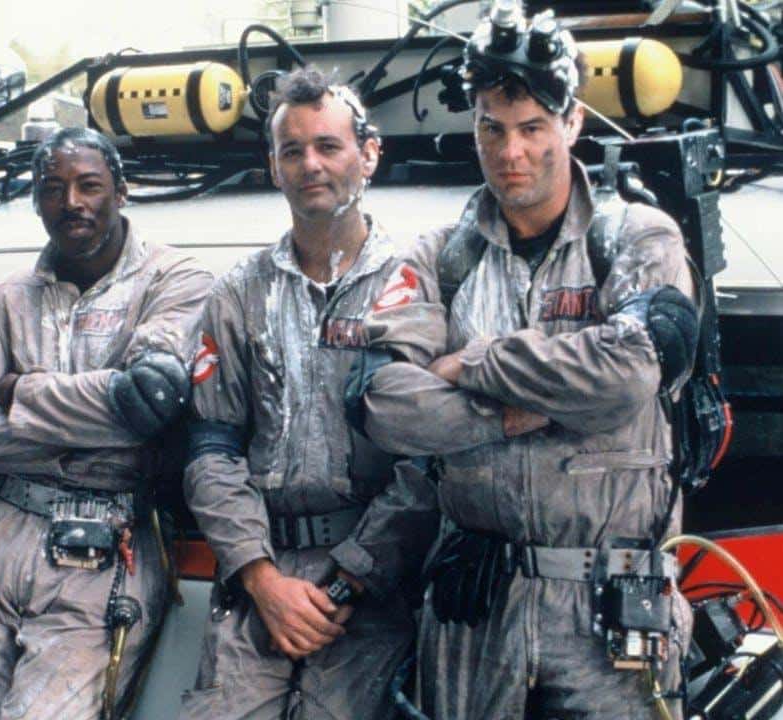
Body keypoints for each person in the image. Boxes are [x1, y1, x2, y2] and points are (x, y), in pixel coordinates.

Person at [347, 6, 699, 718]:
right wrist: (520, 415)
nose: (511, 152)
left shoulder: (637, 238)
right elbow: (381, 404)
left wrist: (475, 359)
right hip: (475, 608)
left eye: (533, 127)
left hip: (609, 610)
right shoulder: (440, 256)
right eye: (492, 128)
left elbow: (629, 375)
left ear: (572, 123)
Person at [179, 67, 438, 720]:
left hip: (374, 583)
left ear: (368, 154)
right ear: (273, 166)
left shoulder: (416, 286)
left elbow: (429, 460)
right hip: (260, 575)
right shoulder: (238, 293)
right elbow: (211, 447)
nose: (310, 165)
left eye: (328, 146)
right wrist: (261, 578)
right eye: (291, 150)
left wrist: (350, 578)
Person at [0, 126, 212, 720]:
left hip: (105, 539)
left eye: (89, 185)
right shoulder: (7, 297)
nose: (72, 202)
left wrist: (18, 391)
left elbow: (147, 403)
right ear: (36, 200)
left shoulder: (174, 280)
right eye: (53, 189)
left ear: (121, 191)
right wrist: (79, 437)